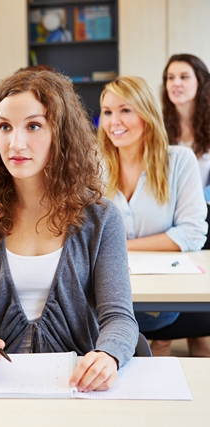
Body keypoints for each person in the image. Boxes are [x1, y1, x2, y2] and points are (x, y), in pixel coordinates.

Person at [0, 69, 138, 393]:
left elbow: (119, 318)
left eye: (33, 125)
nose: (15, 143)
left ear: (60, 133)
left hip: (78, 385)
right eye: (4, 127)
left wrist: (109, 355)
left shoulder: (101, 218)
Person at [98, 76, 208, 356]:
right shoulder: (94, 167)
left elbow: (192, 234)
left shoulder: (180, 161)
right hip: (105, 296)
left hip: (165, 294)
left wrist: (119, 246)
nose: (114, 122)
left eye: (125, 110)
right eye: (107, 112)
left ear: (147, 113)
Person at [162, 54, 210, 202]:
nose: (176, 83)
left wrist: (195, 201)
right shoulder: (157, 126)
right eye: (170, 77)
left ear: (200, 82)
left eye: (184, 77)